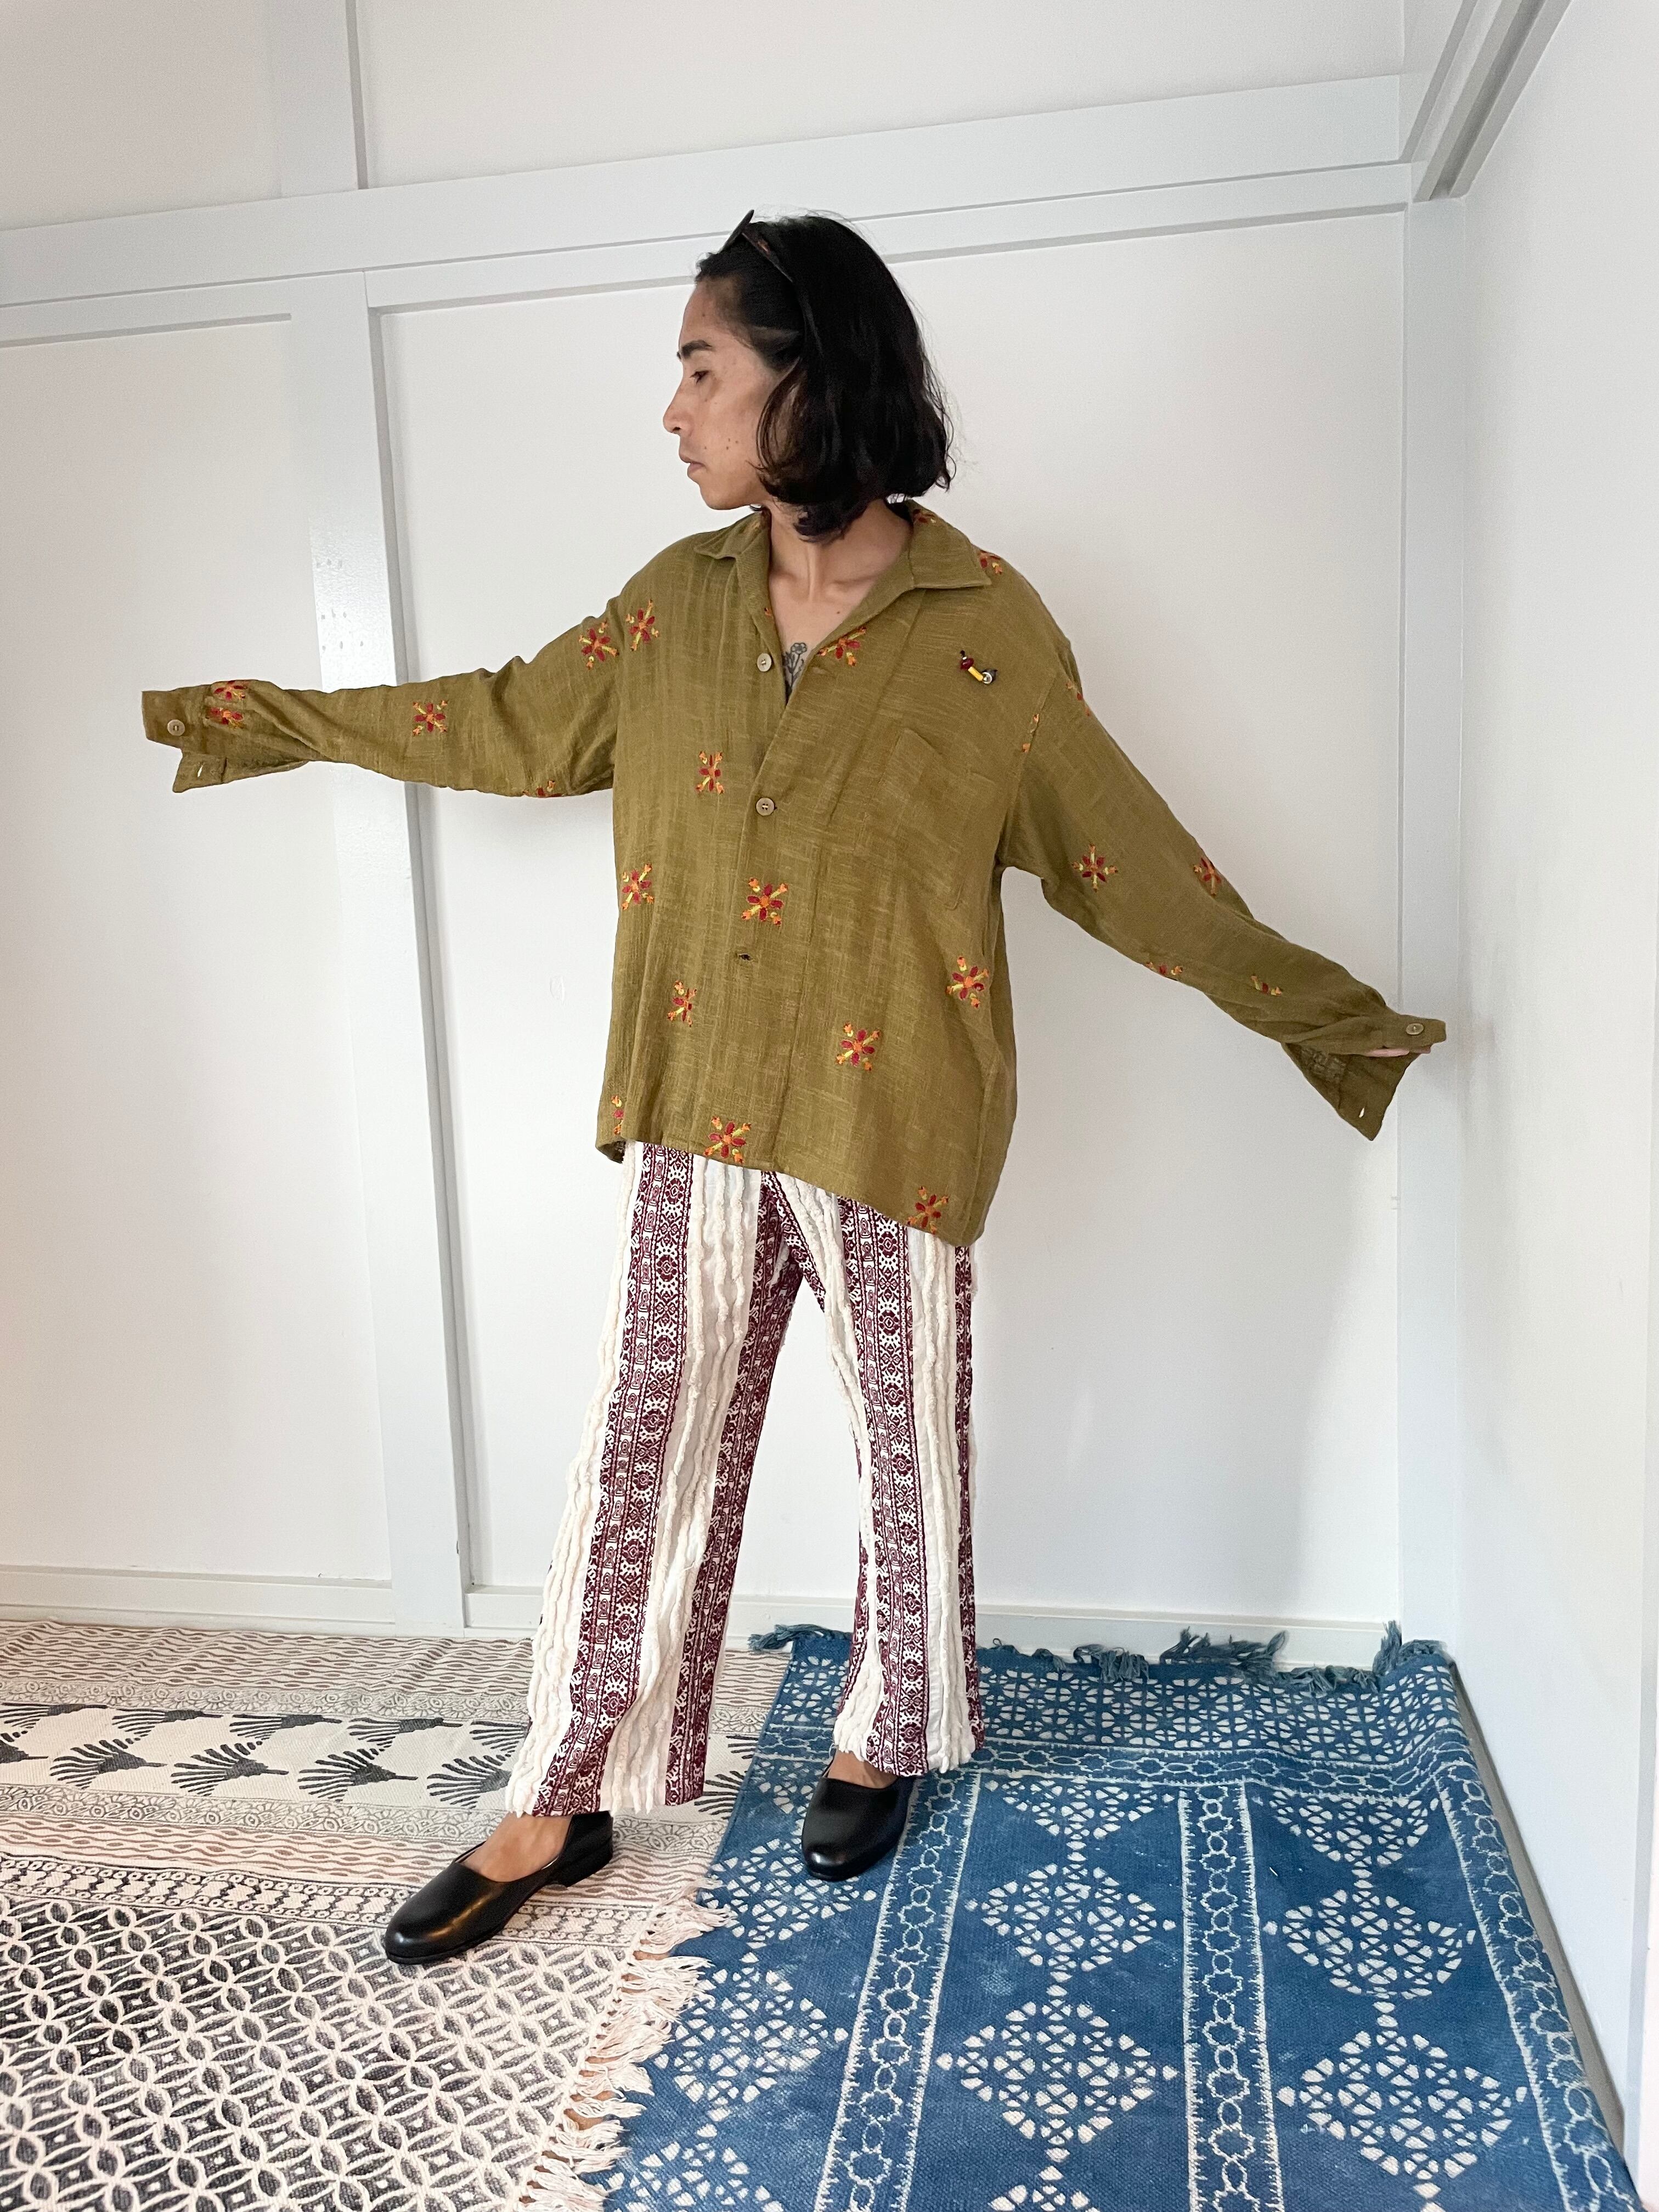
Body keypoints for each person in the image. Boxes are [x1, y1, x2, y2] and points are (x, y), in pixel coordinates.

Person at [142, 208, 1444, 1965]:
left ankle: (887, 1732)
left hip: (892, 1119)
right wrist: (260, 718)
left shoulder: (988, 631)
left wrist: (1327, 1017)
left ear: (808, 380)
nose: (673, 410)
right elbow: (502, 720)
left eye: (702, 367)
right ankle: (561, 1792)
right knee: (642, 1446)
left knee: (906, 1448)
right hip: (697, 1099)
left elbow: (1127, 862)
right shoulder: (673, 607)